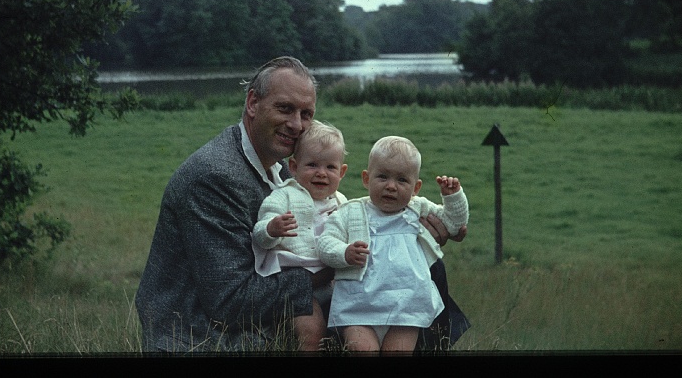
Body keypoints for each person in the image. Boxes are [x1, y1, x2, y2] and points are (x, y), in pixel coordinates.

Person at [135, 56, 464, 353]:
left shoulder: (279, 166)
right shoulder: (214, 177)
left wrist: (401, 231)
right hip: (201, 335)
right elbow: (229, 301)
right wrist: (334, 263)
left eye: (306, 114)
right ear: (252, 102)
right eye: (285, 108)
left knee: (416, 270)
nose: (297, 124)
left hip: (263, 302)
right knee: (385, 284)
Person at [318, 135, 470, 354]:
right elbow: (325, 243)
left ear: (416, 187)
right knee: (362, 350)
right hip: (359, 306)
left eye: (402, 180)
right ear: (366, 179)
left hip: (406, 307)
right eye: (382, 177)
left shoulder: (417, 209)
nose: (391, 186)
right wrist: (344, 253)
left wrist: (453, 197)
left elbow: (454, 224)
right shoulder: (350, 212)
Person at [252, 119, 348, 351]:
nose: (321, 174)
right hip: (297, 285)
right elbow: (258, 233)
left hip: (333, 280)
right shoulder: (284, 196)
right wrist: (271, 229)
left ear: (342, 172)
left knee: (353, 323)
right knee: (312, 331)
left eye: (330, 168)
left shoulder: (341, 202)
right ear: (293, 167)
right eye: (312, 165)